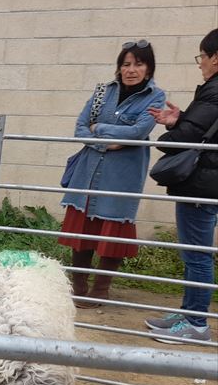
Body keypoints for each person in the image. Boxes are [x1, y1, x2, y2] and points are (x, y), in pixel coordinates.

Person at [58, 40, 166, 309]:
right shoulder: (101, 93)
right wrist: (105, 140)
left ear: (149, 69)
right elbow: (81, 127)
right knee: (82, 230)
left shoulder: (156, 97)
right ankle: (79, 287)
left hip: (123, 175)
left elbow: (139, 132)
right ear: (119, 68)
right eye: (126, 64)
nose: (131, 69)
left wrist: (100, 129)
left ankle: (101, 289)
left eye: (138, 64)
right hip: (89, 171)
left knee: (113, 231)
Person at [144, 28, 218, 344]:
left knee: (197, 255)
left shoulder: (215, 90)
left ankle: (197, 324)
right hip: (203, 183)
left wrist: (169, 135)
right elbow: (204, 128)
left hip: (203, 185)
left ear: (216, 57)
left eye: (202, 55)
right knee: (193, 253)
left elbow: (189, 137)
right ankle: (189, 313)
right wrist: (180, 120)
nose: (200, 62)